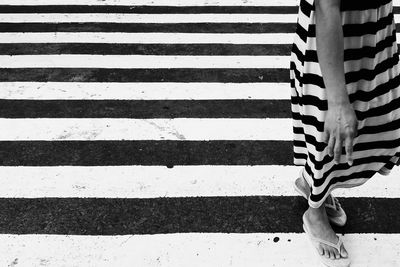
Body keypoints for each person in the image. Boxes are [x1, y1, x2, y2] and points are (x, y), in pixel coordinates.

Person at [289, 0, 400, 266]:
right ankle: (314, 213)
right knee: (332, 136)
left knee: (382, 125)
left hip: (375, 30)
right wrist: (337, 102)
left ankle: (311, 182)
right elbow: (327, 7)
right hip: (338, 36)